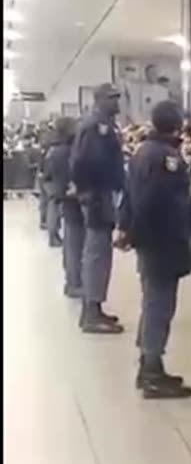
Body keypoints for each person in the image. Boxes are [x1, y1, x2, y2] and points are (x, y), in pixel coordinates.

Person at [120, 100, 191, 399]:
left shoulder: (142, 152)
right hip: (162, 240)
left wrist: (127, 229)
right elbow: (155, 201)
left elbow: (130, 194)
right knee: (159, 305)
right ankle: (151, 369)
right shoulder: (165, 156)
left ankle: (149, 365)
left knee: (153, 301)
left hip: (151, 239)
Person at [70, 83, 126, 334]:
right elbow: (83, 161)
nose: (116, 103)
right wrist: (87, 192)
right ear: (99, 100)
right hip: (97, 194)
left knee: (100, 250)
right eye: (111, 98)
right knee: (97, 251)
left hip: (102, 192)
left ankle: (95, 304)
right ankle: (91, 311)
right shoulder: (95, 126)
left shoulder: (102, 124)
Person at [44, 117, 81, 294]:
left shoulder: (54, 149)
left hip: (61, 194)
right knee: (74, 242)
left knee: (70, 240)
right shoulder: (67, 152)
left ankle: (72, 279)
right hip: (71, 197)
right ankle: (74, 282)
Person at [40, 120, 74, 248]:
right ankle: (53, 236)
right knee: (54, 207)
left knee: (52, 206)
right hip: (55, 181)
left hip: (48, 178)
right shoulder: (60, 148)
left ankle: (53, 235)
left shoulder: (51, 146)